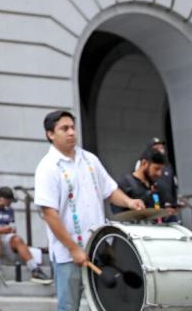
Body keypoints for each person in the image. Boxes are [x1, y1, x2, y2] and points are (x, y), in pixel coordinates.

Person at [33, 110, 145, 311]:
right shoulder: (47, 167)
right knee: (68, 307)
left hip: (100, 248)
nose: (71, 133)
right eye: (64, 129)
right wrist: (74, 249)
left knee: (106, 304)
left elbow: (110, 190)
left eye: (73, 128)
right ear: (50, 134)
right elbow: (50, 214)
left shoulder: (90, 160)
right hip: (69, 254)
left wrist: (129, 202)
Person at [0, 186, 51, 284]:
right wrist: (0, 230)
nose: (10, 204)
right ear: (1, 199)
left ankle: (35, 269)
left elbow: (12, 227)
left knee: (17, 239)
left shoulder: (9, 210)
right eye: (9, 201)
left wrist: (11, 230)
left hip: (5, 238)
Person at [112, 147, 171, 216]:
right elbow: (119, 213)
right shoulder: (125, 183)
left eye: (161, 169)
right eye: (156, 169)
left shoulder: (156, 185)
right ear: (144, 163)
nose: (159, 173)